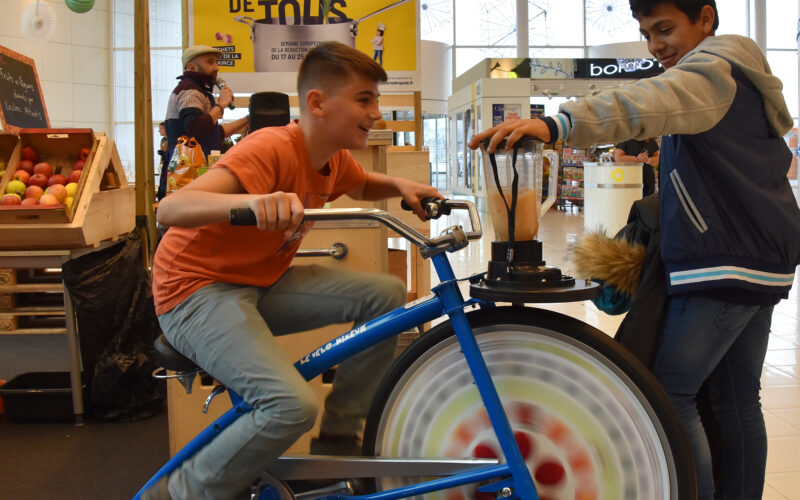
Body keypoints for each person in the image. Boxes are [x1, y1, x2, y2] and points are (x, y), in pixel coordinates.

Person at [468, 2, 800, 499]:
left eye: (665, 29)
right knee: (735, 403)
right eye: (647, 33)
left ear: (705, 19)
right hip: (758, 260)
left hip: (723, 262)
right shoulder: (739, 78)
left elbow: (650, 100)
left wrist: (559, 124)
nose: (655, 45)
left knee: (669, 395)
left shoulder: (714, 69)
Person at [143, 41, 441, 500]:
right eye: (364, 99)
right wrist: (253, 201)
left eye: (375, 100)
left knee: (384, 295)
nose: (377, 113)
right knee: (288, 406)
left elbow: (361, 183)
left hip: (260, 281)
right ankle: (180, 493)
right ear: (317, 103)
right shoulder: (272, 146)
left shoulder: (332, 159)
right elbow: (171, 209)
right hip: (194, 290)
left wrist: (400, 184)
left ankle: (339, 439)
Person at [159, 45, 250, 200]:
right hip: (185, 176)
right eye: (210, 62)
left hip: (192, 175)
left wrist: (247, 120)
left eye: (216, 62)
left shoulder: (199, 91)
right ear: (192, 67)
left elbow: (214, 133)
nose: (216, 67)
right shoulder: (189, 90)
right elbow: (197, 129)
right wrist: (221, 105)